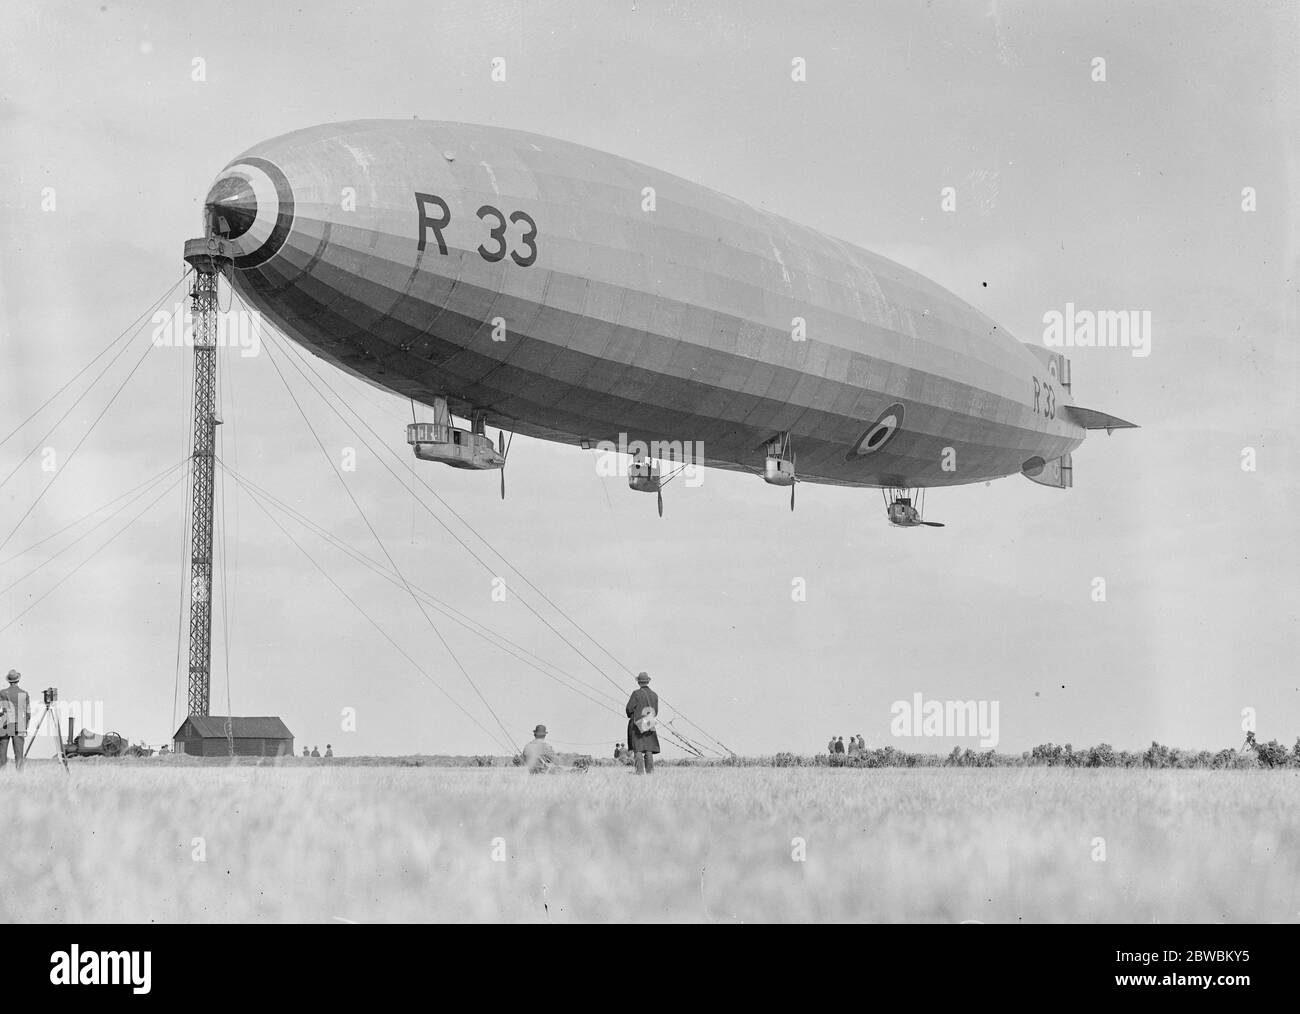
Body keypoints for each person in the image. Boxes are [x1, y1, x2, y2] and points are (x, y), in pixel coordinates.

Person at [625, 671, 660, 775]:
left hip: (637, 725)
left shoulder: (636, 693)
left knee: (638, 749)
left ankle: (639, 774)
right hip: (649, 724)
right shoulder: (654, 695)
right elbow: (656, 712)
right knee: (648, 749)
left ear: (639, 682)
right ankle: (650, 773)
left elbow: (629, 709)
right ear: (648, 681)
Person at [0, 670, 31, 771]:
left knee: (2, 752)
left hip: (5, 724)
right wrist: (25, 726)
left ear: (9, 681)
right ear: (18, 680)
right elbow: (28, 713)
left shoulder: (2, 693)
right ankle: (19, 775)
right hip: (20, 724)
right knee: (19, 753)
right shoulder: (24, 693)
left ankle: (2, 774)